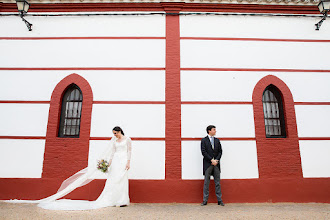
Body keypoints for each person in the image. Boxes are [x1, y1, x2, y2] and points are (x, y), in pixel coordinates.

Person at [6, 126, 132, 210]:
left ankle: (122, 200)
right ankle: (111, 199)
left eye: (115, 133)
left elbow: (129, 151)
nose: (114, 135)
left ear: (119, 131)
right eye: (113, 134)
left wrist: (128, 162)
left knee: (121, 180)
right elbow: (112, 152)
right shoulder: (114, 141)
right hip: (115, 161)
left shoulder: (127, 140)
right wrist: (109, 163)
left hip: (123, 161)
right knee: (112, 180)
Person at [201, 125, 224, 206]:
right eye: (214, 130)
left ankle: (219, 200)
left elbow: (220, 152)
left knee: (217, 183)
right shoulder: (204, 140)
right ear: (209, 131)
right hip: (208, 164)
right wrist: (211, 160)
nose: (215, 131)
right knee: (206, 183)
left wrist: (216, 160)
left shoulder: (217, 140)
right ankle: (205, 200)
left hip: (216, 164)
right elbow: (203, 152)